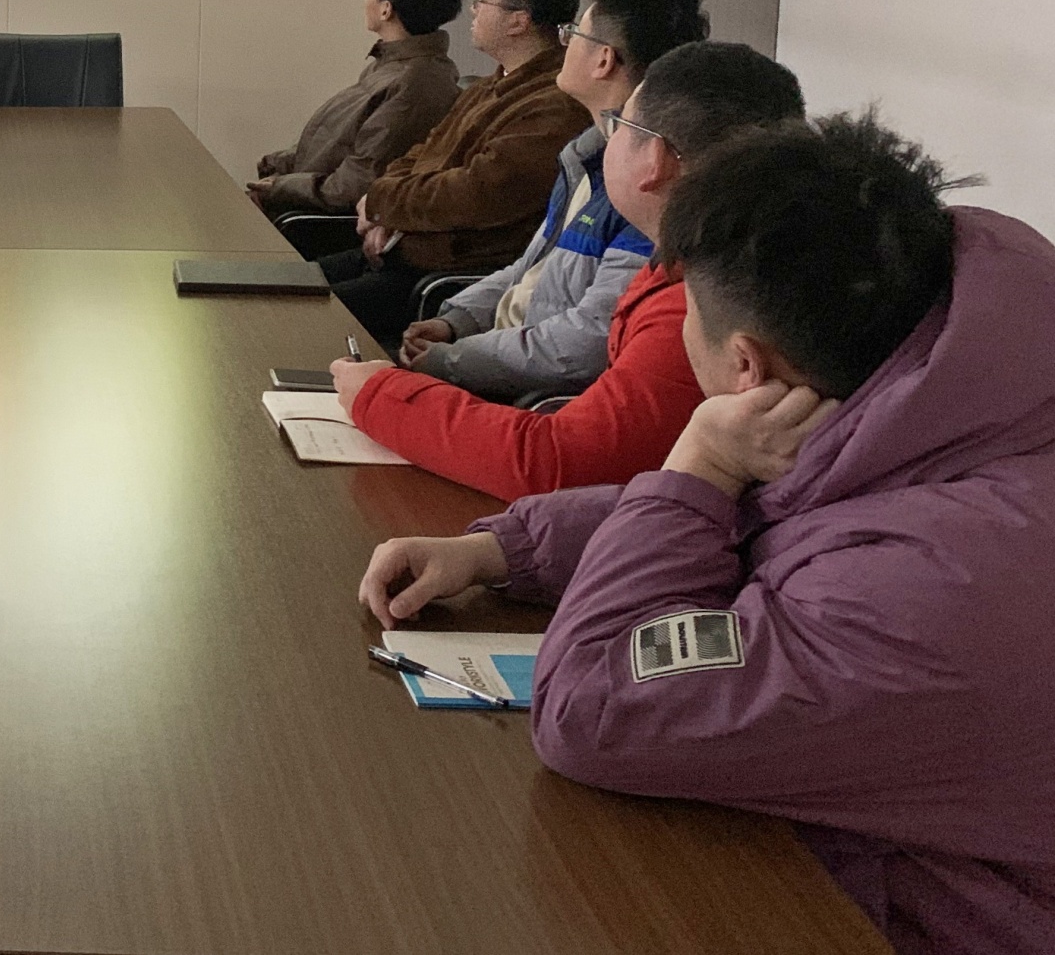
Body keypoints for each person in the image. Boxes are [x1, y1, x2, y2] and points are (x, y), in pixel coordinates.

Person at [358, 114, 1055, 955]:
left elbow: (592, 706)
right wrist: (509, 547)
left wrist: (701, 457)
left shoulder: (923, 591)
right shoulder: (960, 376)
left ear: (746, 369)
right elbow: (783, 512)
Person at [332, 42, 804, 499]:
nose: (606, 138)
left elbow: (559, 463)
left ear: (655, 161)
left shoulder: (702, 299)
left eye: (619, 125)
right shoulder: (692, 259)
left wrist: (381, 394)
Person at [396, 0, 710, 399]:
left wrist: (453, 359)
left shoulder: (645, 188)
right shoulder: (585, 156)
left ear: (604, 59)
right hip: (496, 359)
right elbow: (530, 268)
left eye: (573, 34)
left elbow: (587, 342)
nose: (563, 45)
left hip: (528, 393)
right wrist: (457, 323)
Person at [319, 0, 591, 346]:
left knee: (292, 316)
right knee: (276, 291)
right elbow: (420, 153)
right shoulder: (487, 85)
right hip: (398, 247)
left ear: (519, 21)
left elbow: (476, 192)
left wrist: (382, 202)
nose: (473, 10)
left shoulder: (555, 105)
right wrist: (384, 211)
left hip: (437, 277)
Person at [247, 0, 464, 258]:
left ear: (386, 9)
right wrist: (275, 169)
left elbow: (358, 183)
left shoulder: (416, 82)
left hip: (319, 221)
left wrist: (279, 188)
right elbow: (333, 143)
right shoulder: (391, 66)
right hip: (302, 200)